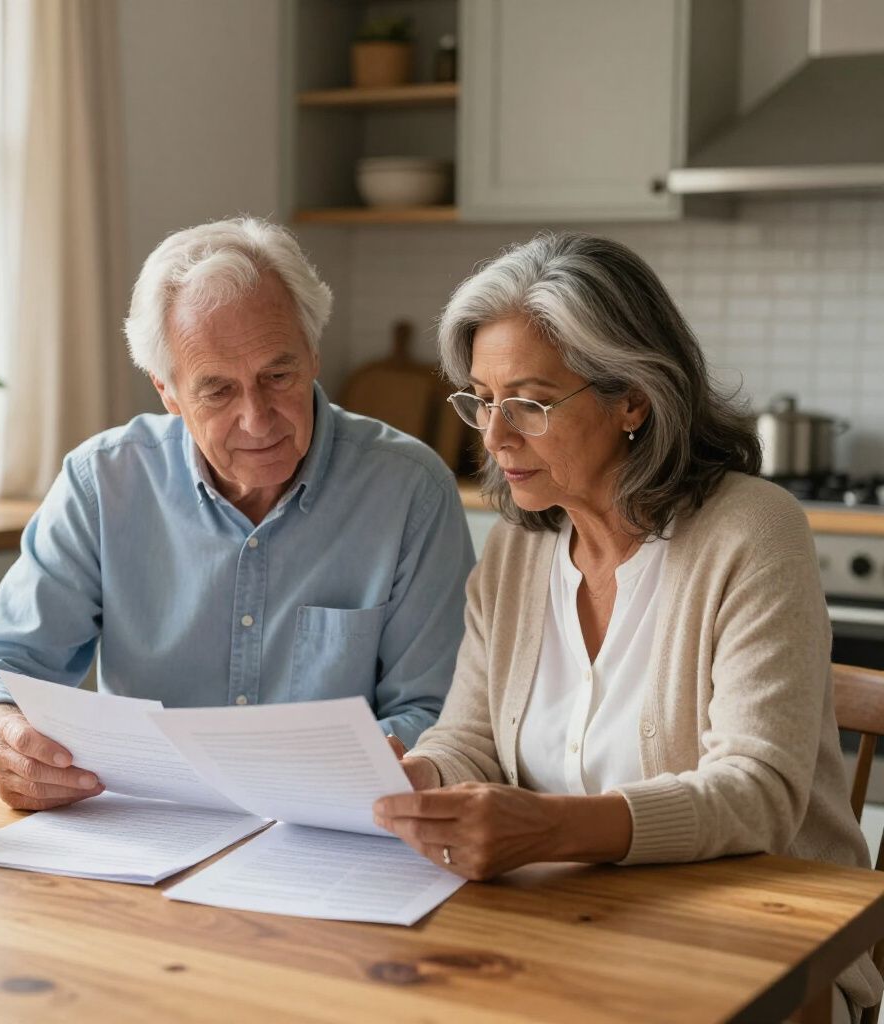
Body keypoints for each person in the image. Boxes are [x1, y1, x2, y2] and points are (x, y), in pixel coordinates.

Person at [371, 231, 881, 1019]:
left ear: (632, 398)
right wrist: (425, 780)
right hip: (567, 936)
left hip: (762, 954)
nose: (495, 437)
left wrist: (547, 830)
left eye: (531, 403)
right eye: (481, 399)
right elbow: (469, 736)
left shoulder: (751, 531)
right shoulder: (514, 550)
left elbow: (758, 793)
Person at [0, 217, 474, 813]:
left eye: (278, 374)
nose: (257, 418)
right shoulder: (104, 483)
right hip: (145, 840)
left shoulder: (409, 489)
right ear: (166, 391)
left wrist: (314, 772)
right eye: (218, 390)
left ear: (313, 353)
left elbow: (439, 714)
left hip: (330, 832)